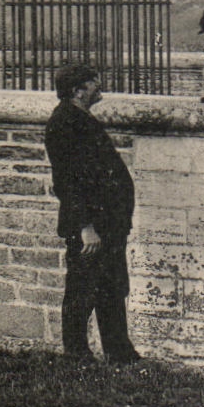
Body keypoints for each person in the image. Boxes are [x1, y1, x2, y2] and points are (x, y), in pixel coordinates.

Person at [44, 62, 139, 363]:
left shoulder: (80, 118)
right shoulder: (64, 123)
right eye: (93, 82)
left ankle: (118, 350)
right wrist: (85, 227)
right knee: (82, 290)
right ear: (78, 90)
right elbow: (67, 182)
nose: (99, 86)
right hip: (91, 226)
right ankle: (76, 352)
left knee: (110, 287)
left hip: (107, 223)